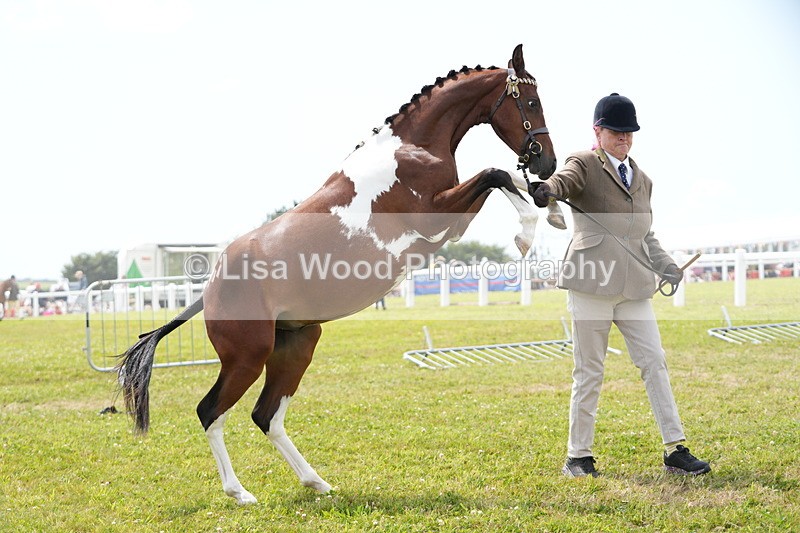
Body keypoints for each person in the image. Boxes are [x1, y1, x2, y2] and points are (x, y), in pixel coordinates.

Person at [532, 93, 710, 478]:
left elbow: (645, 235)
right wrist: (548, 189)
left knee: (655, 363)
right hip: (591, 285)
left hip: (634, 288)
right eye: (615, 132)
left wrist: (668, 267)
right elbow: (566, 181)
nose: (623, 138)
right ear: (598, 131)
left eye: (629, 132)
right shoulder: (583, 162)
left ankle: (675, 449)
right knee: (590, 371)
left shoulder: (643, 180)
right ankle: (578, 457)